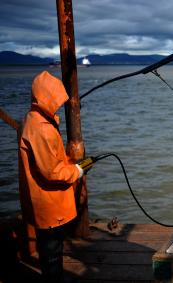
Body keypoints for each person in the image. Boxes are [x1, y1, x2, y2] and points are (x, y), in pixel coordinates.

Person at [18, 71, 85, 283]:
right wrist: (77, 170)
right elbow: (52, 171)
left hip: (39, 202)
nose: (57, 104)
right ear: (46, 97)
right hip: (49, 205)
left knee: (50, 251)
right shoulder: (42, 129)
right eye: (55, 100)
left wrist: (68, 160)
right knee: (52, 253)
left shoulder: (31, 119)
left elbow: (49, 160)